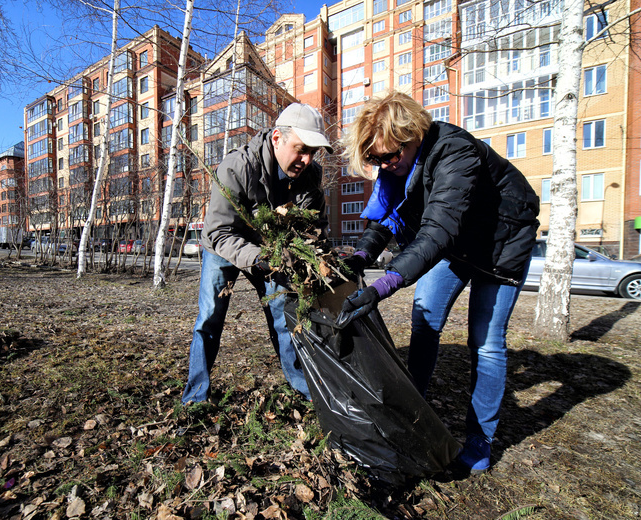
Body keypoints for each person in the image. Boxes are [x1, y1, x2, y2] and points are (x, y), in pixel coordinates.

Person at [338, 91, 539, 473]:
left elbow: (437, 230)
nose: (383, 165)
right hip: (455, 243)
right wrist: (361, 257)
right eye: (375, 159)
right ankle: (416, 407)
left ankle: (480, 441)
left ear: (414, 135)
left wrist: (384, 285)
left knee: (486, 341)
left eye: (390, 156)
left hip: (501, 247)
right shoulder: (395, 167)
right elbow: (384, 218)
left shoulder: (455, 152)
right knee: (425, 317)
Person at [181, 103, 333, 405]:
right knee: (210, 317)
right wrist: (257, 258)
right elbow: (220, 232)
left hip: (271, 252)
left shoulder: (310, 175)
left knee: (284, 317)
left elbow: (314, 225)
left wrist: (316, 255)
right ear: (277, 138)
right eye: (300, 149)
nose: (306, 160)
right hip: (224, 246)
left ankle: (303, 390)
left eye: (313, 152)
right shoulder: (237, 167)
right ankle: (196, 397)